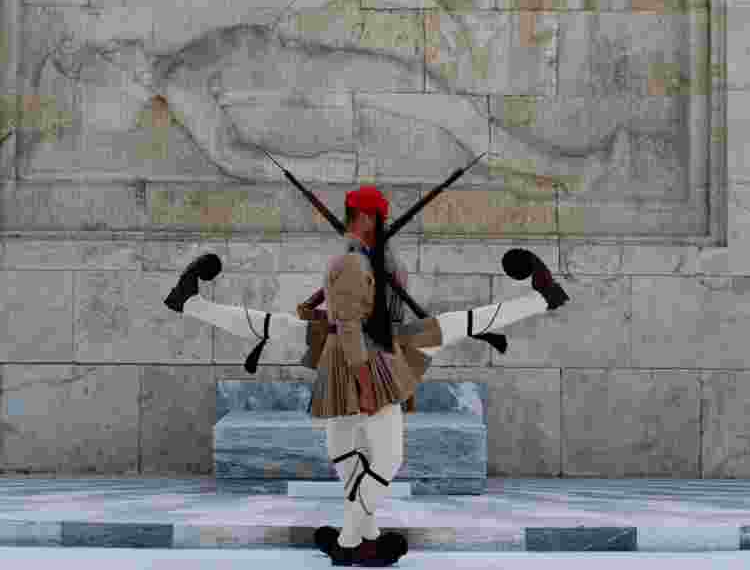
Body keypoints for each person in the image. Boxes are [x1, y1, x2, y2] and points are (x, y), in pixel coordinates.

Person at [163, 186, 569, 566]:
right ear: (365, 218)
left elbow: (359, 315)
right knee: (386, 456)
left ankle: (362, 538)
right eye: (369, 216)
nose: (369, 222)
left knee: (303, 352)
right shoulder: (355, 263)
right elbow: (351, 324)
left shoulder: (364, 261)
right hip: (366, 358)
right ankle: (350, 542)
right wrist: (365, 384)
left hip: (367, 347)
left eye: (369, 216)